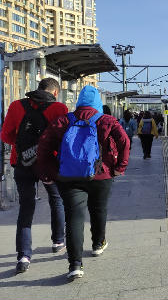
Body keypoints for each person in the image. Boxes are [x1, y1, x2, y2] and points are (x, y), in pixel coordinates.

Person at [37, 85, 130, 280]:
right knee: (99, 210)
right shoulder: (106, 120)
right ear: (97, 102)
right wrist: (119, 167)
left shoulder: (63, 120)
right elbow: (124, 142)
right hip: (101, 175)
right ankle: (98, 244)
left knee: (74, 218)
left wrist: (53, 172)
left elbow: (43, 147)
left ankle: (75, 265)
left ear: (79, 101)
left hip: (69, 177)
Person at [0, 78, 68, 274]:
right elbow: (63, 139)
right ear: (55, 92)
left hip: (22, 163)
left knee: (26, 207)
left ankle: (23, 256)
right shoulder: (59, 108)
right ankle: (58, 241)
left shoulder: (16, 105)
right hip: (48, 164)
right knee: (56, 200)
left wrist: (24, 148)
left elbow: (5, 136)